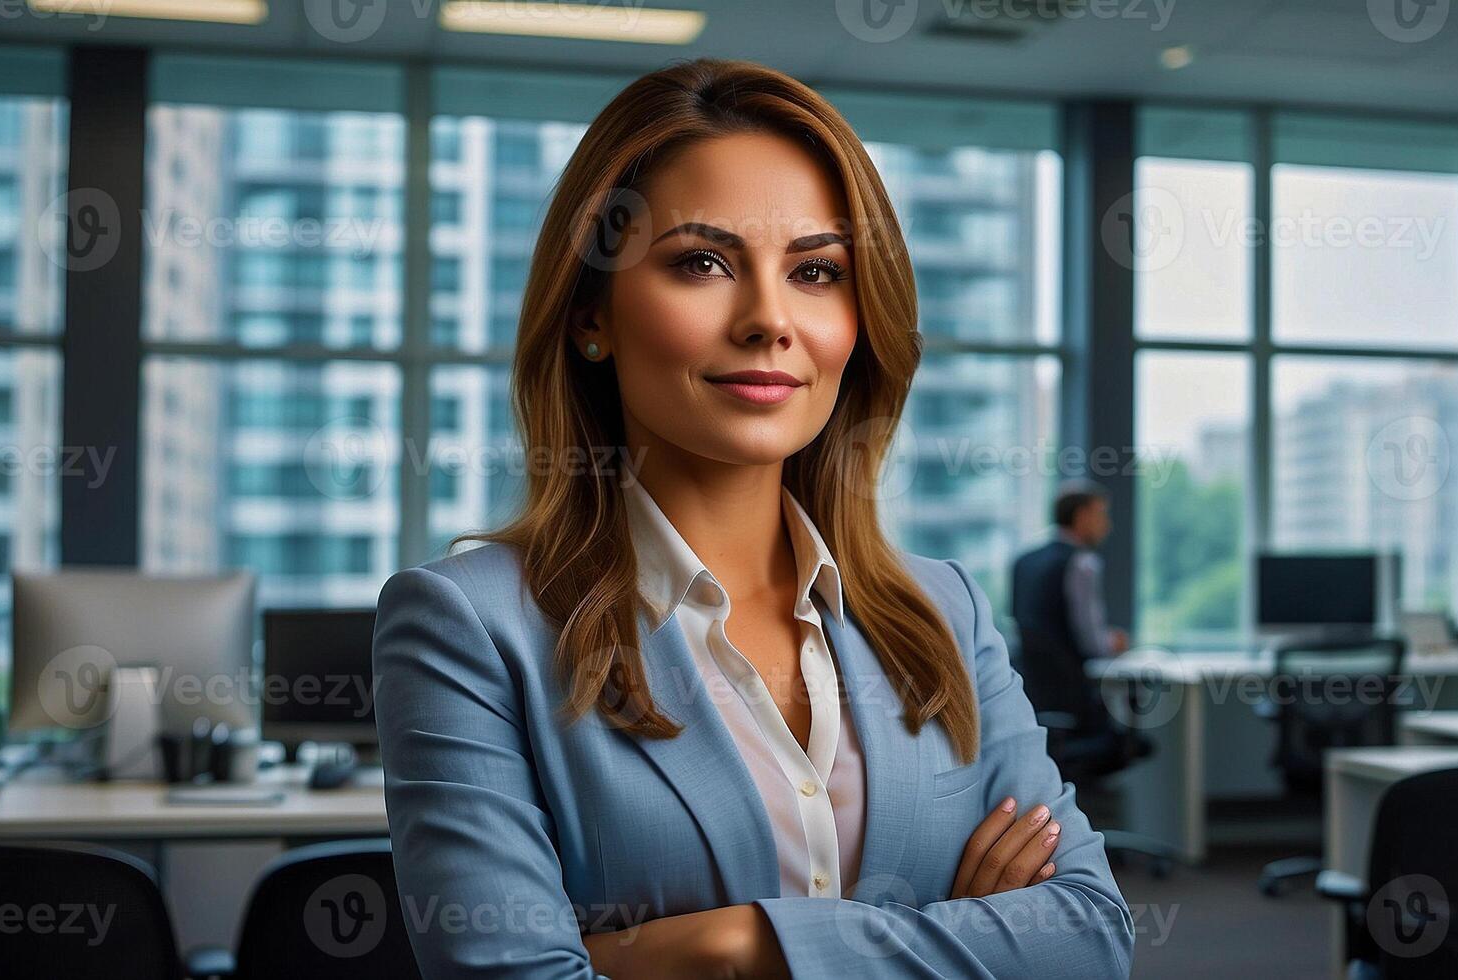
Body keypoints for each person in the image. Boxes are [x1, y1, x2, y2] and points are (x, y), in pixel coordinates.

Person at [372, 60, 1134, 979]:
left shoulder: (944, 612)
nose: (769, 319)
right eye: (702, 262)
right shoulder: (471, 625)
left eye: (816, 271)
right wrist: (953, 939)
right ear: (590, 317)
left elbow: (1089, 936)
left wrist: (736, 948)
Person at [1011, 483, 1132, 775]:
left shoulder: (1023, 561)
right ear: (1081, 516)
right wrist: (1113, 642)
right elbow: (1092, 641)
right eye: (1101, 514)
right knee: (1123, 739)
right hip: (1073, 697)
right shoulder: (1082, 563)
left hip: (1030, 695)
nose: (1107, 524)